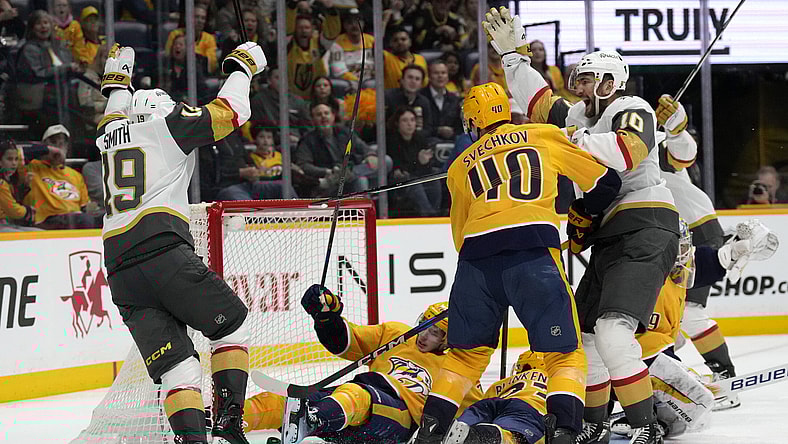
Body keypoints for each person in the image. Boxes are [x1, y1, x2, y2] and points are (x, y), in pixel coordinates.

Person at [485, 7, 680, 443]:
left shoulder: (632, 106)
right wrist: (514, 60)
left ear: (612, 82)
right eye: (581, 80)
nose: (582, 87)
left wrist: (564, 140)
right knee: (586, 337)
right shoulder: (581, 118)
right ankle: (592, 424)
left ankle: (645, 427)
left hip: (646, 225)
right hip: (611, 236)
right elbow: (540, 105)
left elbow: (626, 152)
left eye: (591, 80)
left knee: (612, 331)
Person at [410, 82, 622, 444]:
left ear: (473, 121)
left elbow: (459, 235)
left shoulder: (460, 165)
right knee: (563, 355)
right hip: (533, 253)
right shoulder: (542, 134)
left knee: (464, 358)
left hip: (476, 261)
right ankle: (565, 435)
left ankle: (429, 435)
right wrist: (581, 213)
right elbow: (606, 182)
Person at [96, 40, 267, 443]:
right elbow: (231, 112)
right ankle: (228, 424)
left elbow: (113, 113)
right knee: (232, 327)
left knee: (178, 371)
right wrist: (243, 66)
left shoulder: (108, 139)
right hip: (163, 251)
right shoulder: (168, 126)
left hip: (120, 271)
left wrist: (117, 79)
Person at [245, 287, 483, 443]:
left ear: (448, 339)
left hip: (398, 421)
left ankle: (312, 419)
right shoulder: (398, 334)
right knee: (281, 403)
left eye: (434, 333)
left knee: (356, 394)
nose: (423, 336)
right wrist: (327, 317)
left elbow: (481, 412)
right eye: (423, 326)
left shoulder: (458, 368)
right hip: (351, 410)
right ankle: (227, 422)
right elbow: (345, 342)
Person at [652, 95, 742, 412]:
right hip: (673, 235)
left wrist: (675, 127)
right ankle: (670, 378)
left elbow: (685, 151)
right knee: (665, 318)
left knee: (687, 312)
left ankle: (724, 375)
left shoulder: (656, 144)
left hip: (697, 229)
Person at [444, 351, 549, 444]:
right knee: (516, 437)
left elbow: (483, 403)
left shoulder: (502, 383)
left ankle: (458, 428)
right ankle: (494, 437)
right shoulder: (555, 382)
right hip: (527, 410)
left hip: (493, 403)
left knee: (467, 425)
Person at [14, 10, 82, 139]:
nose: (43, 27)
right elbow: (40, 73)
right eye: (39, 23)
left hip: (60, 96)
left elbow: (67, 65)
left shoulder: (58, 46)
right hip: (39, 101)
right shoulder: (29, 48)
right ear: (32, 28)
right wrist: (66, 68)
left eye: (46, 23)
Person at [294, 102, 380, 197]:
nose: (323, 117)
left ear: (333, 116)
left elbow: (363, 147)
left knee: (385, 161)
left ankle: (344, 175)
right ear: (313, 120)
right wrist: (327, 171)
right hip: (328, 185)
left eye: (326, 113)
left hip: (349, 173)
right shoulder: (307, 140)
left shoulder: (344, 132)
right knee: (361, 180)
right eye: (319, 115)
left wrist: (370, 154)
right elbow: (303, 165)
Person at [23, 124, 99, 229]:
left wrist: (92, 208)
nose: (58, 147)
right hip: (46, 220)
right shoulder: (32, 167)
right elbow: (17, 153)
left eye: (62, 143)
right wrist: (48, 150)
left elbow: (84, 206)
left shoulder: (75, 175)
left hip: (75, 218)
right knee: (83, 220)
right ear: (45, 146)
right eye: (53, 142)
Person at [386, 107, 441, 217]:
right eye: (405, 120)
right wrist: (419, 161)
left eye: (412, 120)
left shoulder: (419, 139)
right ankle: (430, 215)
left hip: (417, 175)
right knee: (415, 183)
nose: (409, 124)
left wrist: (424, 163)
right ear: (397, 123)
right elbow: (400, 169)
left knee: (434, 179)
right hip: (399, 181)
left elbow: (428, 167)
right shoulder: (391, 141)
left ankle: (435, 212)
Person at [325, 8, 375, 86]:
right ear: (344, 25)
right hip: (348, 82)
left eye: (357, 22)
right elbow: (338, 71)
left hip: (370, 81)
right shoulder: (337, 43)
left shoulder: (372, 41)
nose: (354, 25)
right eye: (350, 23)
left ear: (363, 24)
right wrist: (357, 81)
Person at [165, 4, 218, 74]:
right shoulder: (175, 34)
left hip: (201, 74)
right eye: (196, 17)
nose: (200, 21)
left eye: (203, 18)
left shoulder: (209, 38)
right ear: (187, 18)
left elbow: (211, 64)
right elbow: (169, 56)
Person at [420, 59, 463, 144]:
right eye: (436, 73)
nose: (440, 76)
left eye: (443, 73)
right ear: (429, 77)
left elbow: (459, 127)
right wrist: (438, 130)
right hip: (427, 143)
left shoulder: (455, 100)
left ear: (447, 77)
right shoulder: (420, 98)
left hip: (452, 143)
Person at [385, 64, 434, 138]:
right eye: (410, 77)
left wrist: (413, 136)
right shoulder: (388, 97)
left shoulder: (424, 102)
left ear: (421, 84)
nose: (413, 81)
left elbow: (428, 128)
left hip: (416, 141)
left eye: (417, 79)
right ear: (402, 80)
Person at [0, 138, 37, 231]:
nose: (14, 163)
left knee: (39, 234)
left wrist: (25, 187)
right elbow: (13, 210)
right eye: (9, 159)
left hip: (8, 224)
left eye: (16, 159)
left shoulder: (10, 181)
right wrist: (28, 211)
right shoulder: (1, 183)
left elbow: (14, 202)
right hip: (3, 225)